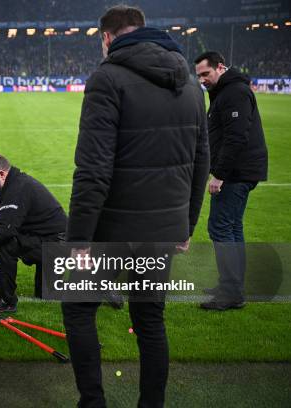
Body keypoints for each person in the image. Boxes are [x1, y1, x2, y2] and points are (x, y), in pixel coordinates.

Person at [63, 6, 210, 408]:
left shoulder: (107, 78)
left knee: (77, 309)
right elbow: (202, 161)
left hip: (112, 232)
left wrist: (78, 240)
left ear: (107, 37)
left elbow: (92, 170)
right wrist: (186, 225)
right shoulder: (190, 82)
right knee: (149, 320)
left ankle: (92, 402)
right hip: (164, 231)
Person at [194, 51, 268, 311]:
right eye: (199, 75)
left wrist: (220, 175)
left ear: (221, 67)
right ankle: (232, 286)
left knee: (220, 227)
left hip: (237, 173)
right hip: (240, 171)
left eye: (206, 73)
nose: (202, 79)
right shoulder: (224, 91)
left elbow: (236, 137)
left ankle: (231, 292)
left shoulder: (234, 92)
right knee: (232, 228)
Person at [0, 154, 67, 315]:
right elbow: (10, 228)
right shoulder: (13, 186)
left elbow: (5, 231)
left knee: (7, 244)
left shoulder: (17, 190)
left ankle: (6, 302)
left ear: (1, 174)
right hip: (49, 238)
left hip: (56, 244)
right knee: (48, 294)